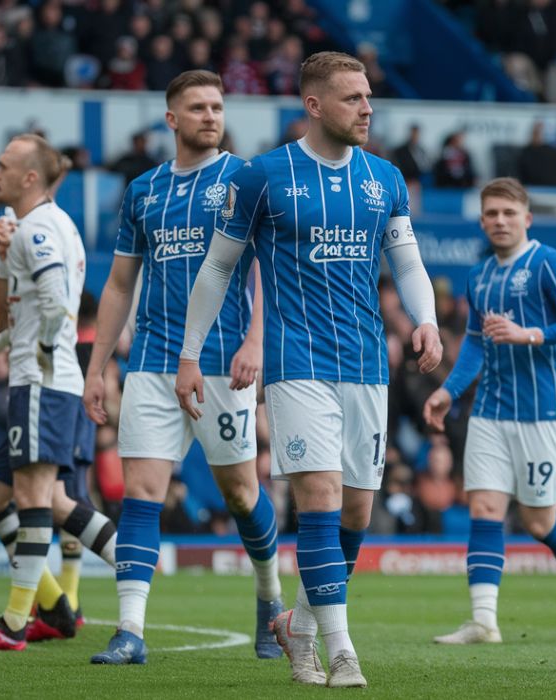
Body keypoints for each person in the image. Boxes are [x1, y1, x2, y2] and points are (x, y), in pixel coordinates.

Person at [176, 52, 441, 688]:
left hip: (367, 361)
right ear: (315, 105)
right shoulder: (263, 177)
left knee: (357, 512)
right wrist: (190, 353)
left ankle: (298, 624)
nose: (367, 108)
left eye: (369, 97)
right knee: (318, 500)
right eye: (353, 98)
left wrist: (425, 318)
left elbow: (405, 263)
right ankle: (341, 650)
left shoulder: (385, 179)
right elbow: (216, 269)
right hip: (296, 363)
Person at [83, 69, 284, 667]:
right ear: (171, 119)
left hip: (227, 363)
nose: (210, 115)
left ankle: (269, 598)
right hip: (151, 359)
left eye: (217, 105)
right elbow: (120, 283)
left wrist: (256, 342)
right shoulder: (143, 190)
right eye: (197, 107)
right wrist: (97, 368)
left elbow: (268, 270)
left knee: (242, 495)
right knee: (142, 493)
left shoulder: (245, 179)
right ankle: (130, 631)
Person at [423, 178, 556, 646]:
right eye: (491, 214)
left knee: (539, 521)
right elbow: (476, 346)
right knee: (485, 507)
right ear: (482, 221)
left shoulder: (546, 264)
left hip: (544, 411)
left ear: (527, 218)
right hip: (489, 411)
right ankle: (484, 622)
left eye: (508, 212)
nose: (499, 221)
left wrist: (532, 334)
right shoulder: (478, 275)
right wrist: (448, 391)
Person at [0, 134, 98, 651]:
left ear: (29, 177)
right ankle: (55, 606)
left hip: (42, 381)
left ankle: (13, 623)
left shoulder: (36, 231)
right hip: (41, 378)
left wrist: (44, 357)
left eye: (4, 166)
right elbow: (23, 312)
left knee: (36, 499)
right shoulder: (45, 228)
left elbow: (56, 306)